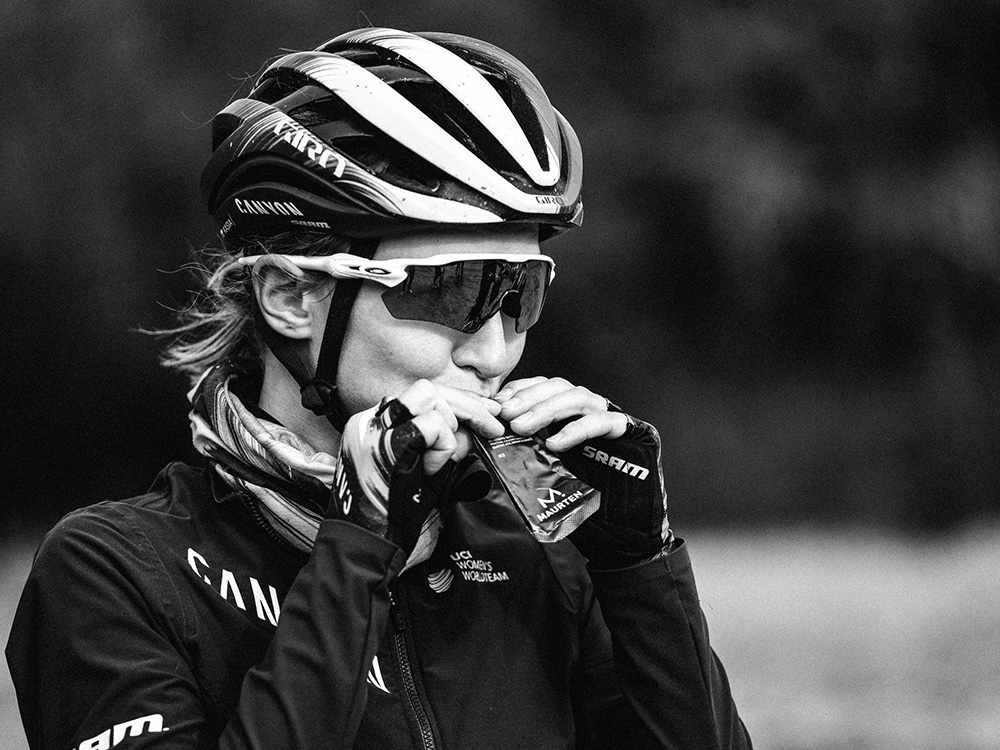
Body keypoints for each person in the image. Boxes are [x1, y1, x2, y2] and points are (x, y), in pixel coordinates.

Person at [7, 27, 751, 749]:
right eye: (451, 290)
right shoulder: (115, 570)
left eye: (519, 293)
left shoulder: (545, 559)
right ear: (289, 297)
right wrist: (357, 549)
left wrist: (639, 570)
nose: (494, 352)